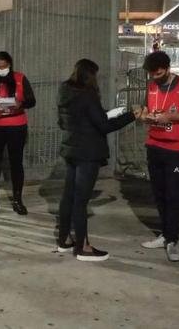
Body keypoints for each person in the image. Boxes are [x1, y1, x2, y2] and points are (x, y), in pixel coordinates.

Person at [57, 59, 138, 261]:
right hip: (88, 153)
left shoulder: (64, 90)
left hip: (71, 149)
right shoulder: (88, 95)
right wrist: (131, 115)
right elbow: (104, 126)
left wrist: (100, 117)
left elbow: (64, 121)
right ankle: (83, 247)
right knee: (81, 200)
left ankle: (64, 239)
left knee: (69, 197)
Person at [138, 51, 179, 262]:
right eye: (151, 74)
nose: (154, 77)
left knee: (173, 195)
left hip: (176, 150)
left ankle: (173, 240)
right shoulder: (151, 86)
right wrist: (143, 115)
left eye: (157, 73)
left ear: (167, 68)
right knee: (159, 193)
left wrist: (171, 117)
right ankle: (164, 234)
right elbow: (145, 108)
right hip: (154, 146)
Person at [0, 51, 36, 215]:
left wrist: (21, 103)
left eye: (4, 66)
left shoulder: (20, 78)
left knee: (16, 163)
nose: (2, 69)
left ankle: (18, 200)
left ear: (10, 65)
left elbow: (32, 101)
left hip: (17, 126)